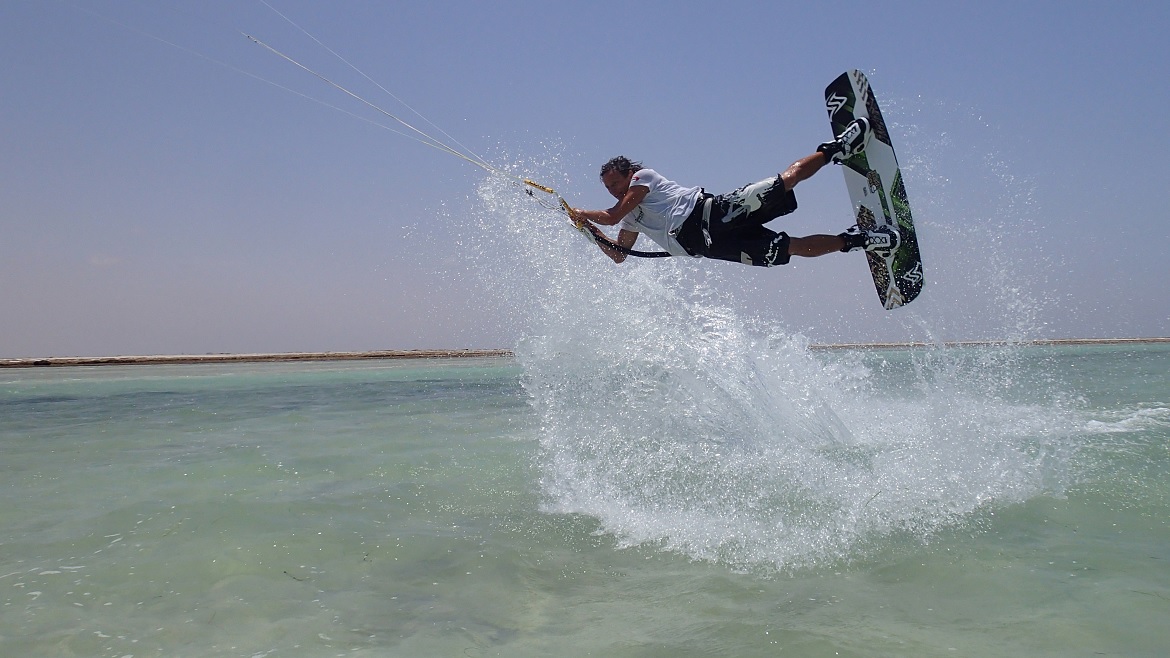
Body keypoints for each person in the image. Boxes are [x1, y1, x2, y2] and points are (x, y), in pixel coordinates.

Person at [571, 118, 899, 265]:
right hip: (708, 245)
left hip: (710, 213)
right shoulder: (631, 220)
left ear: (629, 174)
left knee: (783, 182)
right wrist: (587, 229)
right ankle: (865, 240)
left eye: (616, 183)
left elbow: (613, 216)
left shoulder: (643, 178)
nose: (614, 191)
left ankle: (839, 148)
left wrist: (583, 213)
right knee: (789, 249)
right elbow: (618, 255)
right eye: (609, 188)